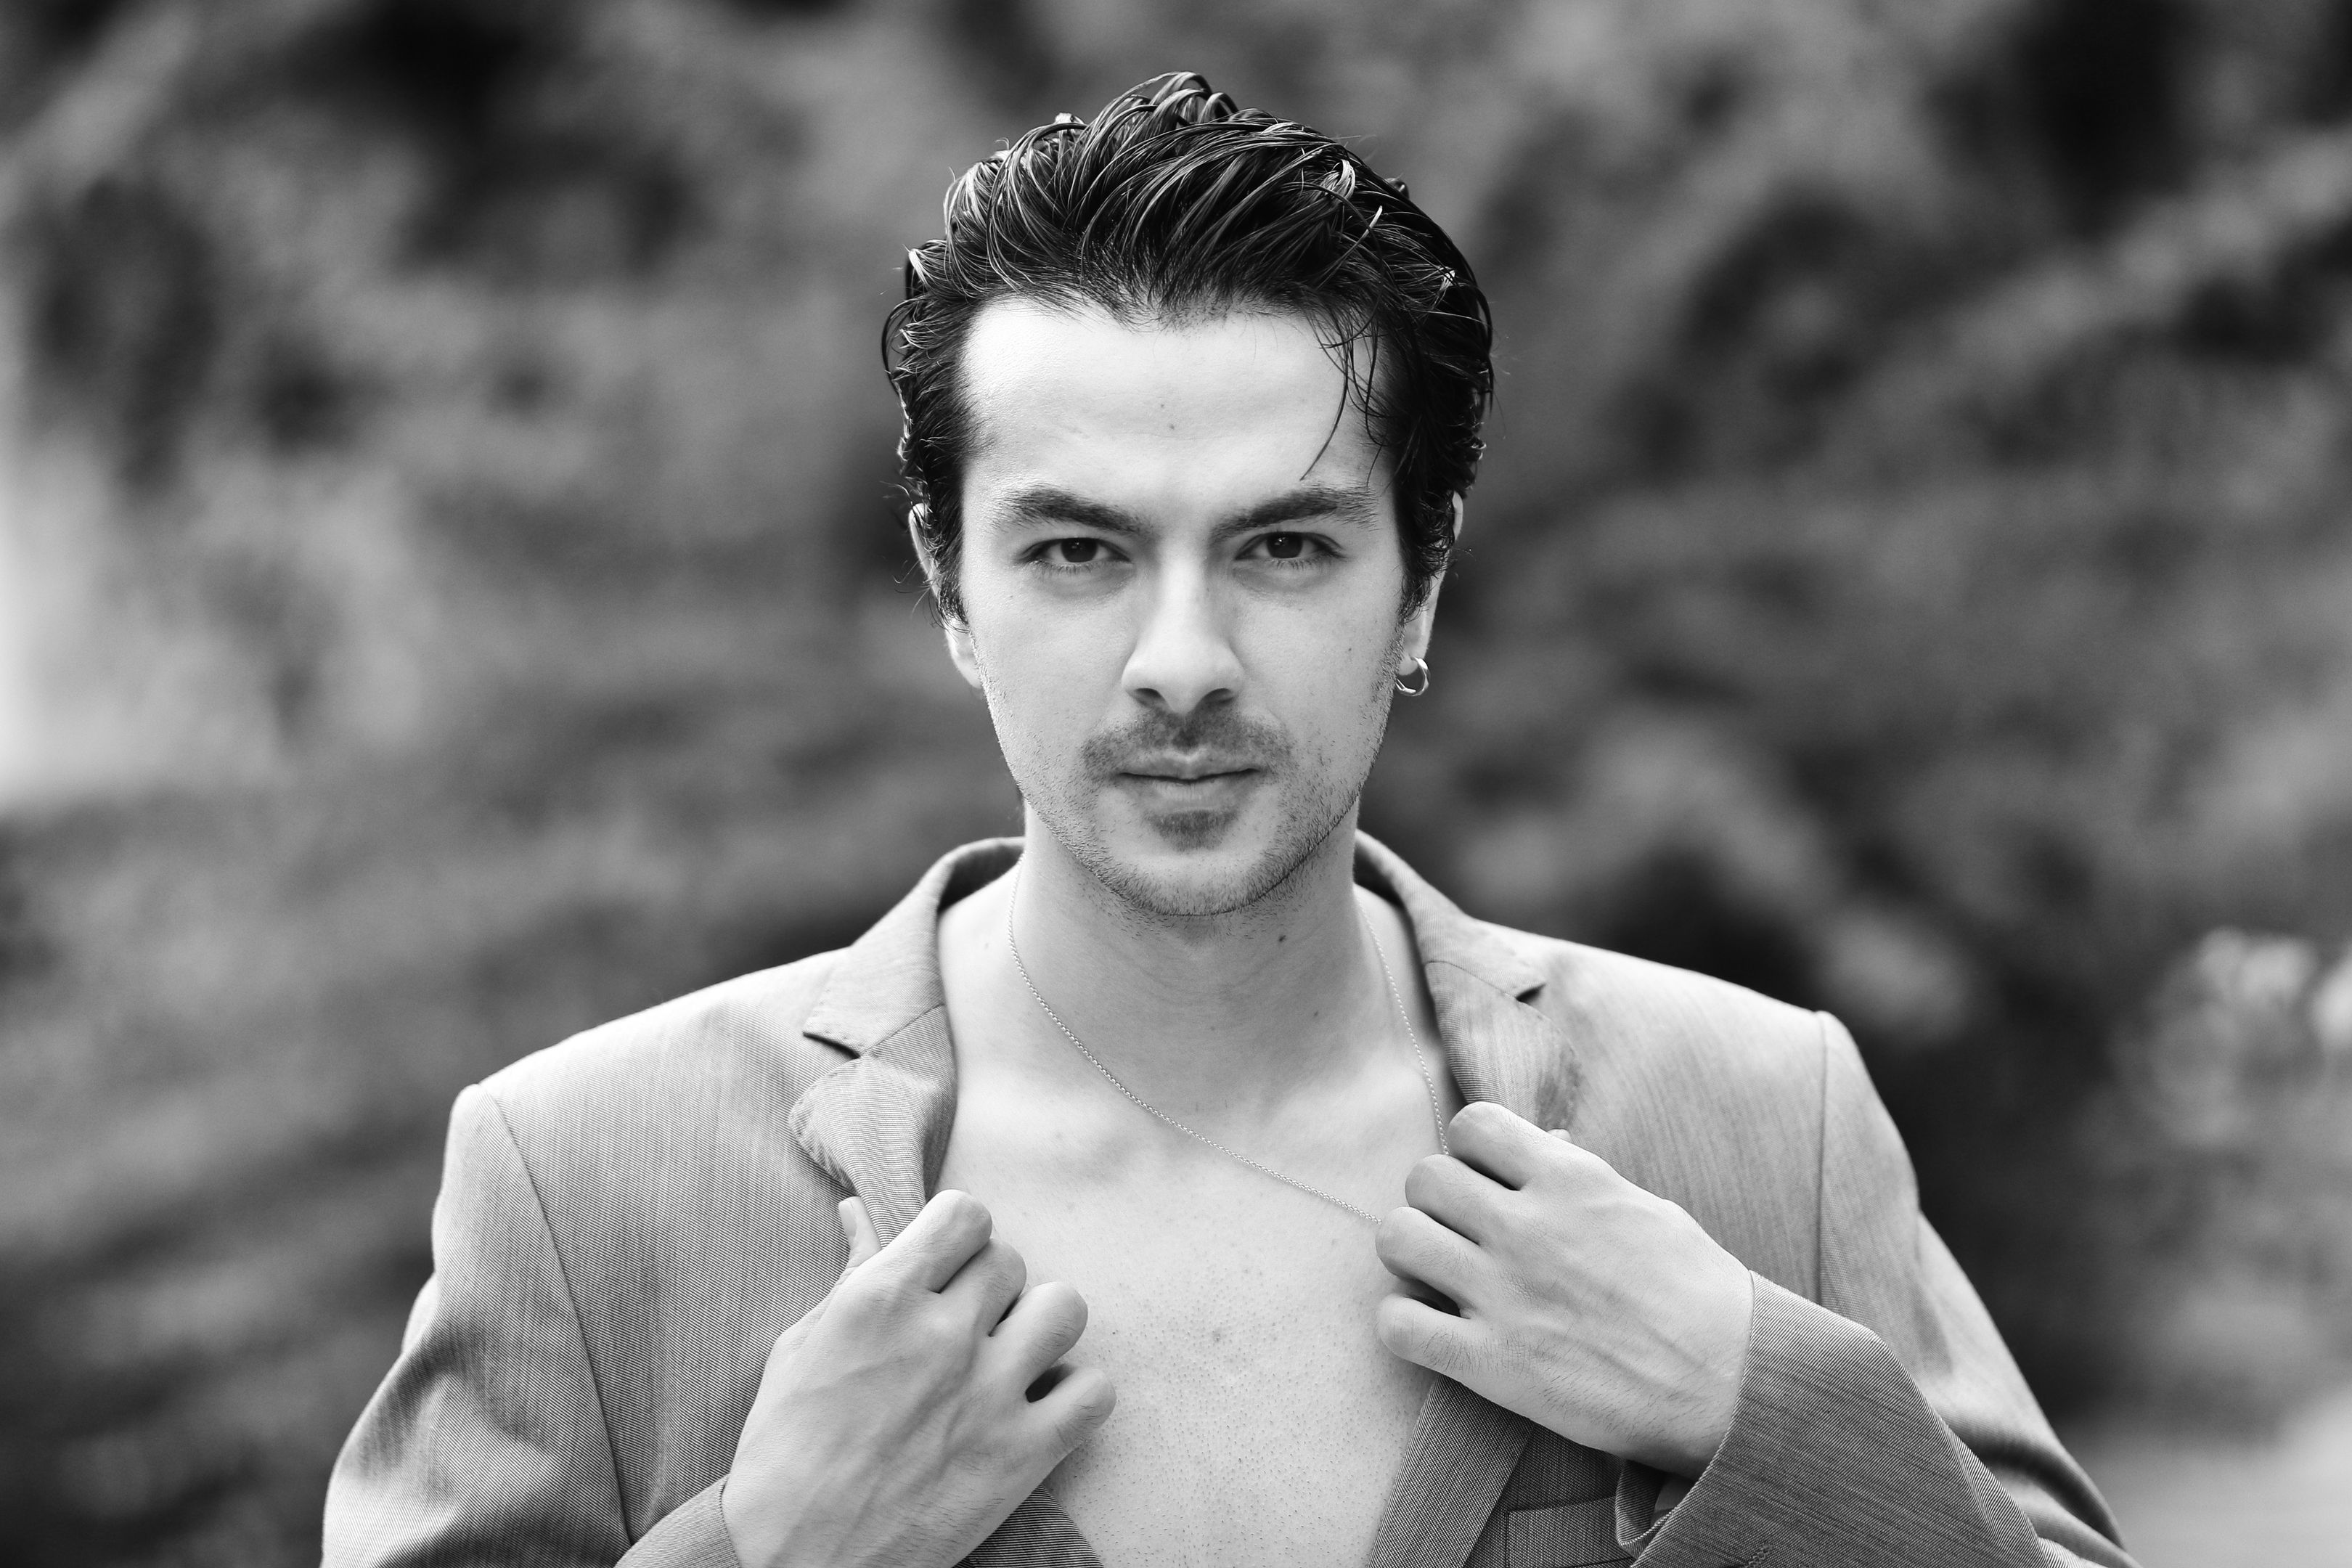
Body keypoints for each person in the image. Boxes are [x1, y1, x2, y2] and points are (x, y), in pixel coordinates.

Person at [324, 73, 2136, 1568]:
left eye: (1282, 546)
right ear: (951, 589)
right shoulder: (585, 1178)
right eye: (1078, 551)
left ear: (1421, 585)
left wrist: (1763, 1405)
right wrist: (771, 1553)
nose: (1179, 663)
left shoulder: (1757, 1119)